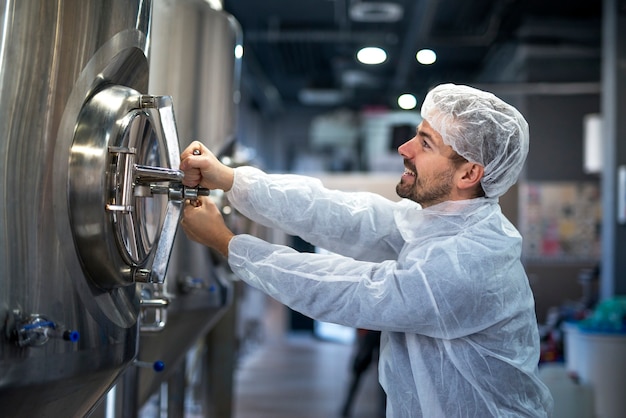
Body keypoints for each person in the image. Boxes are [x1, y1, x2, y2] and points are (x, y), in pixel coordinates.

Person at [179, 83, 554, 417]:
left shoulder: (470, 262)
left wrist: (226, 244)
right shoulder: (443, 225)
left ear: (469, 174)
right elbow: (349, 217)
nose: (403, 149)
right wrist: (231, 180)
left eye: (425, 144)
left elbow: (351, 290)